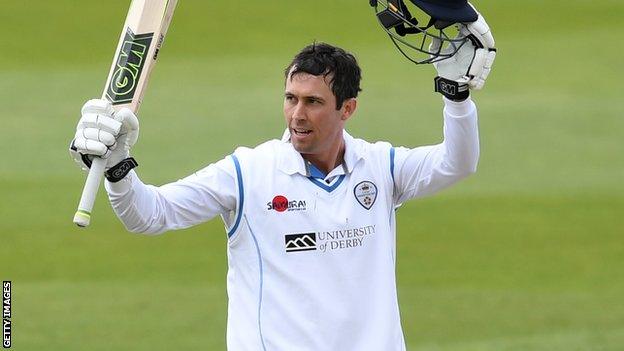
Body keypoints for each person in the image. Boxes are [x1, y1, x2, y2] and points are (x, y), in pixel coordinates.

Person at [69, 3, 495, 349]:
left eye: (313, 102)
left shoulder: (379, 167)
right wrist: (119, 165)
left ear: (347, 109)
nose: (297, 114)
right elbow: (149, 215)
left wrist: (456, 97)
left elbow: (456, 163)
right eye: (290, 98)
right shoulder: (248, 172)